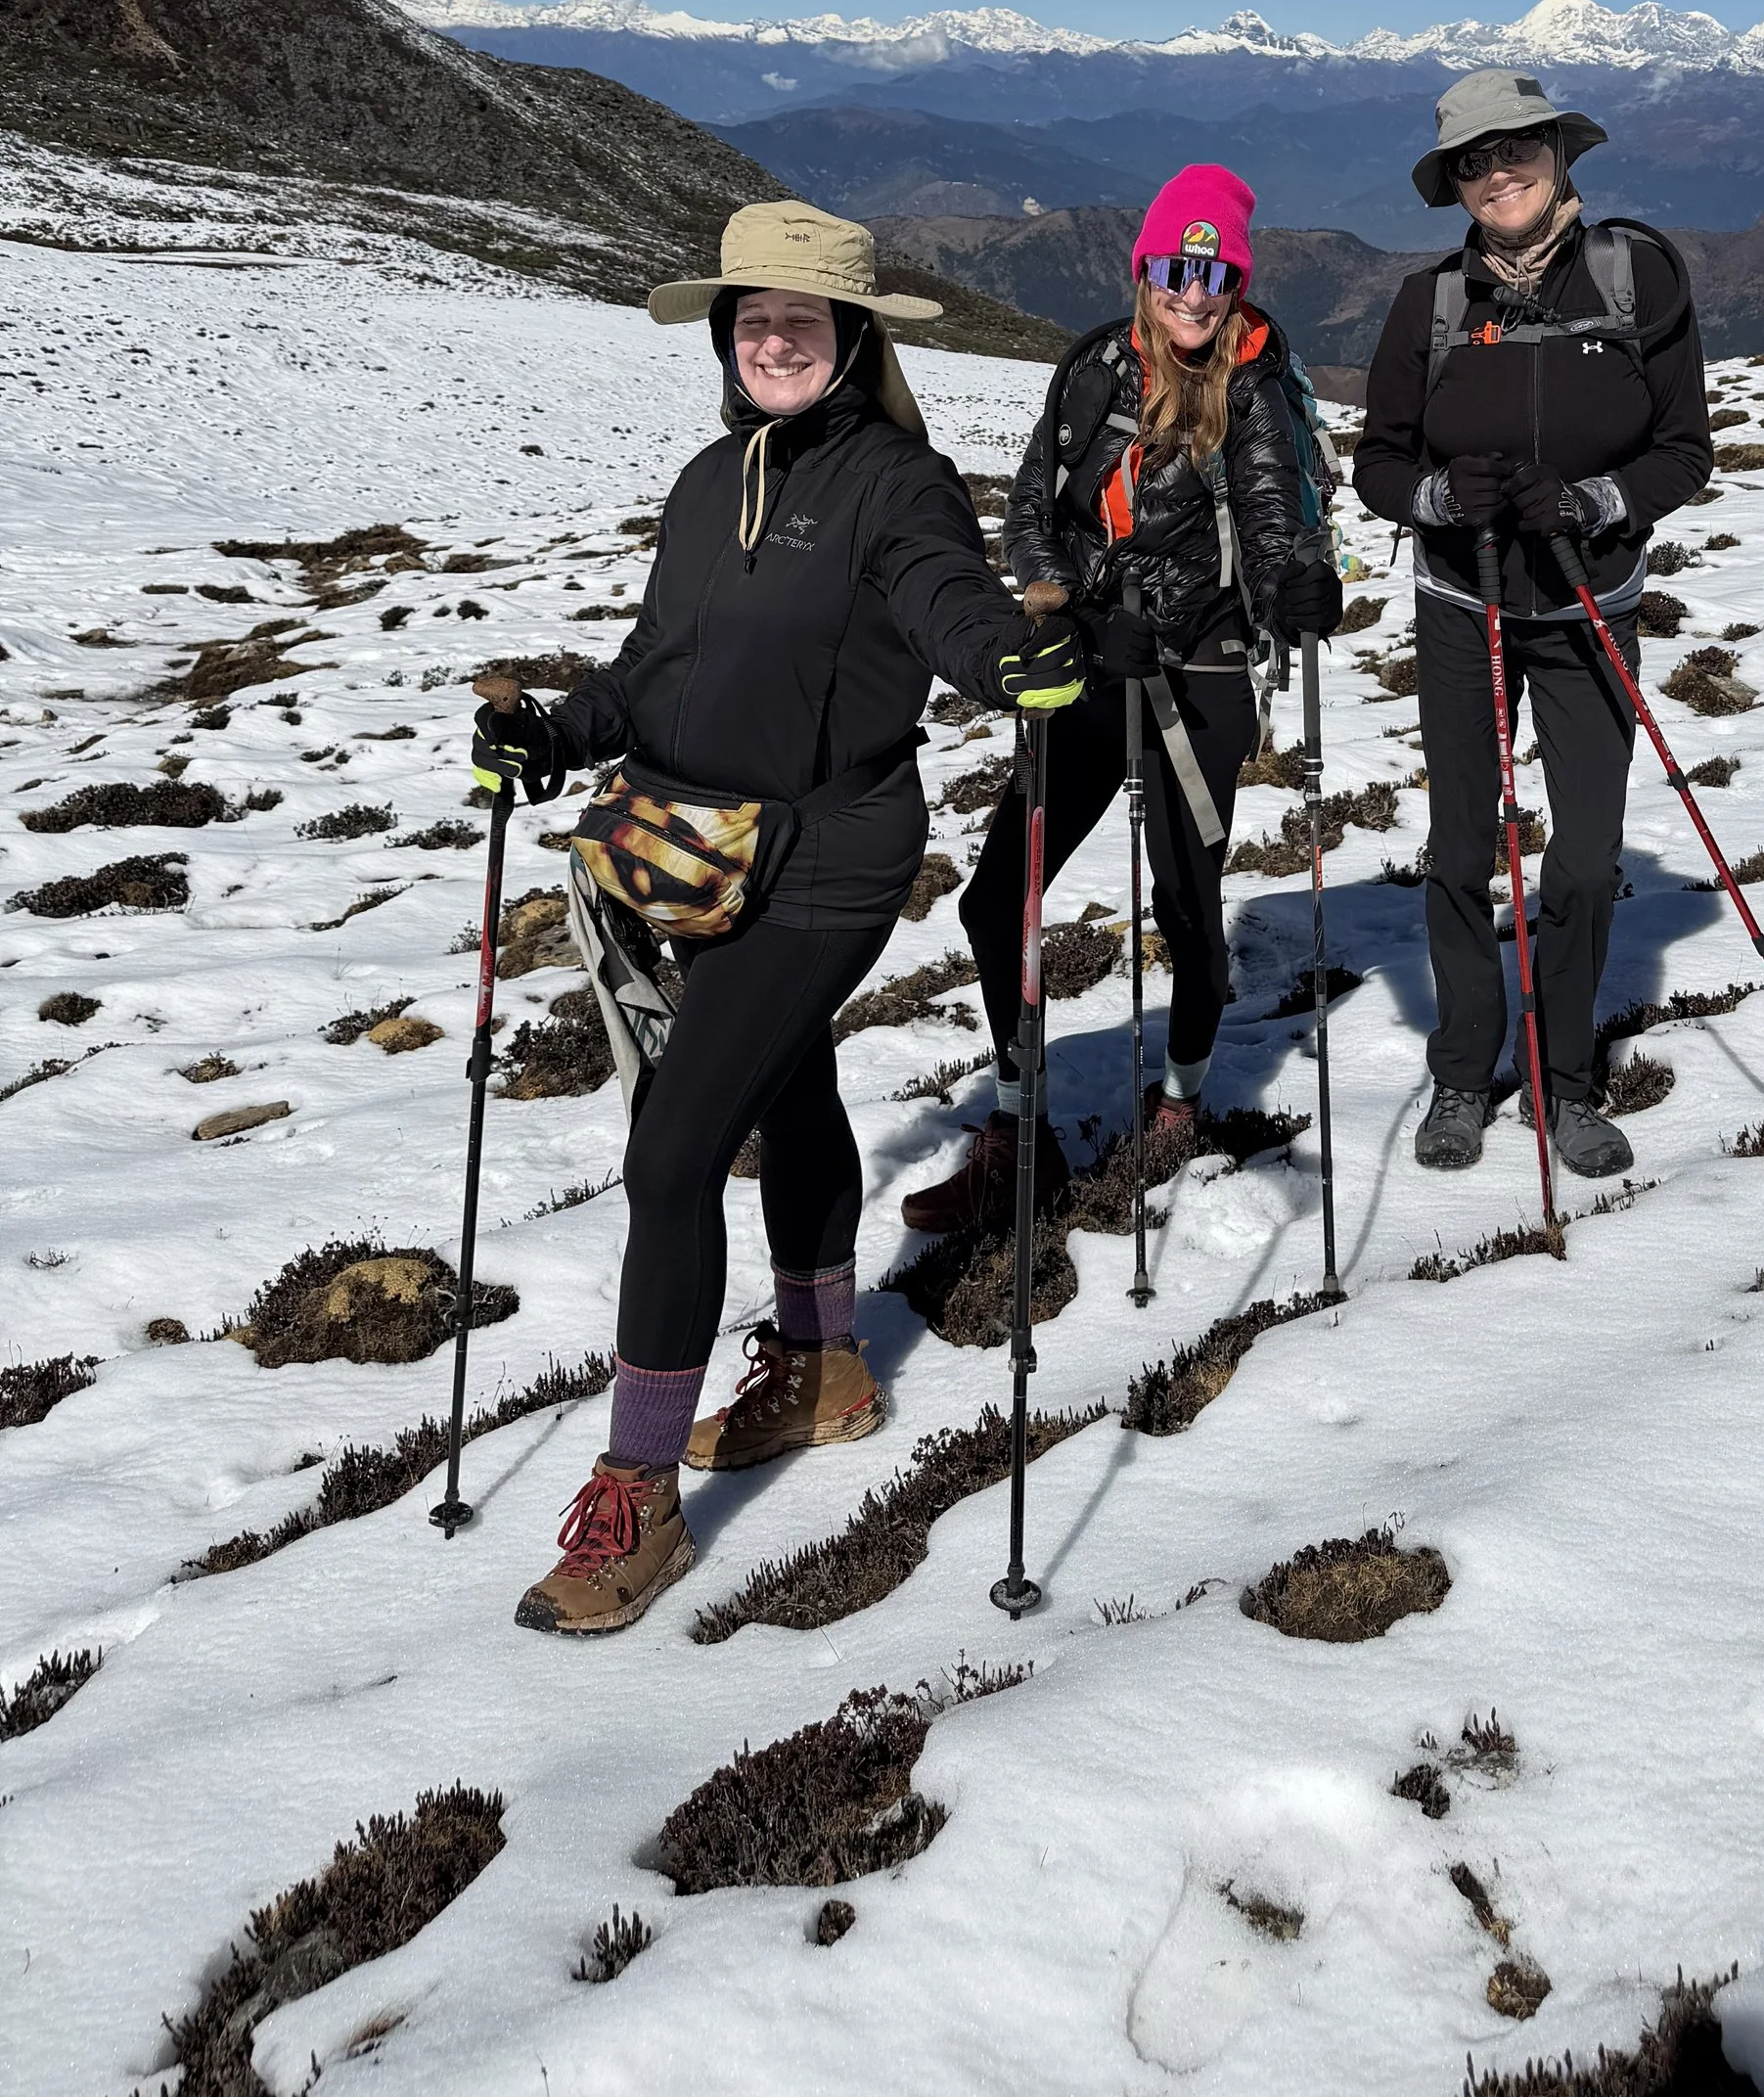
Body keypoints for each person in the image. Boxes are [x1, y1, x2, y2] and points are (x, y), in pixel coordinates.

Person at [471, 201, 1086, 1637]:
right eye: (753, 316)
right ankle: (827, 1366)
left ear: (855, 336)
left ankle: (637, 1496)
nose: (775, 337)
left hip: (826, 859)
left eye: (804, 318)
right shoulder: (704, 482)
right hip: (693, 853)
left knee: (673, 1149)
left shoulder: (897, 482)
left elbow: (953, 606)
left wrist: (1016, 662)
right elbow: (651, 673)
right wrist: (555, 736)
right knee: (791, 1091)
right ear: (723, 334)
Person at [898, 164, 1343, 1234]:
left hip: (1201, 673)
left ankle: (1181, 1100)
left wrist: (1295, 586)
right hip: (1090, 663)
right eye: (1170, 268)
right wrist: (1060, 597)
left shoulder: (1254, 384)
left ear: (1236, 278)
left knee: (1190, 910)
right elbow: (1034, 506)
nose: (1191, 292)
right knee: (993, 896)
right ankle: (1015, 1129)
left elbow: (1273, 515)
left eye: (1213, 271)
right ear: (1141, 267)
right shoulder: (1095, 365)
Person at [1353, 69, 1711, 1178]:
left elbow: (1683, 446)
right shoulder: (1435, 300)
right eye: (1474, 159)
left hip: (1587, 606)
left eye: (1518, 148)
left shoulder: (1635, 273)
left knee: (1587, 856)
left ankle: (1562, 1079)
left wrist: (1599, 502)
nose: (1498, 171)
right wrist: (1436, 499)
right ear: (1453, 183)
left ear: (1560, 156)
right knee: (1462, 847)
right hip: (1466, 609)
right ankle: (1466, 1069)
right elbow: (1377, 458)